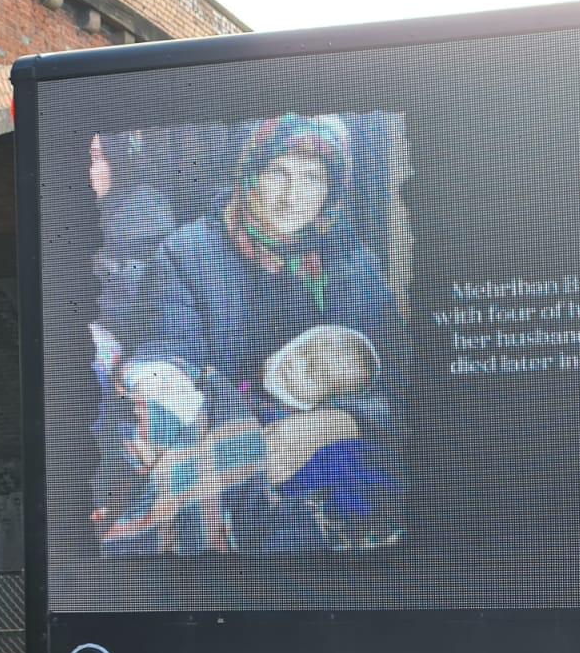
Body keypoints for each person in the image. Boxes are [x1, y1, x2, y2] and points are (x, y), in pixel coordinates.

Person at [100, 113, 405, 555]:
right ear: (249, 173)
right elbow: (173, 349)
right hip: (226, 430)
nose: (292, 197)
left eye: (313, 179)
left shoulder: (352, 266)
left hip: (324, 443)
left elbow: (401, 376)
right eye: (278, 173)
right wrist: (172, 384)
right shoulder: (189, 252)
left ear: (332, 190)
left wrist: (335, 422)